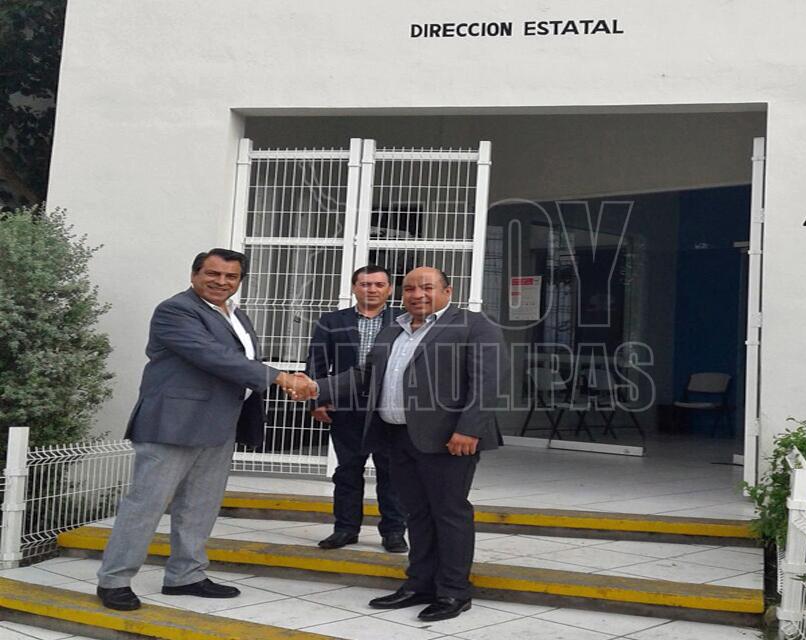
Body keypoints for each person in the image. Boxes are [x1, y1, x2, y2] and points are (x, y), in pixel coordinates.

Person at [95, 248, 316, 611]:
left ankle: (186, 575)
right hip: (173, 424)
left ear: (240, 281)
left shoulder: (236, 314)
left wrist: (282, 379)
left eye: (231, 276)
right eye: (213, 274)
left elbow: (243, 361)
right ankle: (114, 580)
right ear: (194, 274)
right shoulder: (176, 310)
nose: (221, 282)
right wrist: (280, 377)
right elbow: (213, 356)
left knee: (200, 506)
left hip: (220, 423)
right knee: (146, 504)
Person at [314, 266, 506, 622]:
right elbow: (365, 375)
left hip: (449, 440)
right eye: (410, 289)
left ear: (448, 291)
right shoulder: (394, 329)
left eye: (427, 287)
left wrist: (469, 429)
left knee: (448, 514)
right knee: (417, 514)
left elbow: (488, 382)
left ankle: (453, 591)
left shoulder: (473, 325)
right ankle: (419, 584)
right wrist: (315, 388)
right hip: (397, 437)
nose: (417, 295)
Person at [306, 265, 407, 553]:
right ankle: (345, 529)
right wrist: (317, 400)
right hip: (346, 406)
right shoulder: (332, 321)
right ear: (353, 288)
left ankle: (394, 532)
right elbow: (317, 361)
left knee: (392, 473)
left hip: (388, 407)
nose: (371, 289)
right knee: (347, 471)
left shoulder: (404, 321)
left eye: (378, 284)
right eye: (364, 284)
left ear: (389, 289)